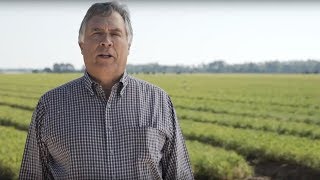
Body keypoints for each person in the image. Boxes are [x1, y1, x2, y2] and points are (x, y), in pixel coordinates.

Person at [19, 1, 194, 179]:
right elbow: (32, 175)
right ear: (81, 45)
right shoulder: (50, 104)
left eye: (115, 34)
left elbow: (180, 175)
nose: (106, 42)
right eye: (97, 33)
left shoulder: (159, 101)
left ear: (129, 45)